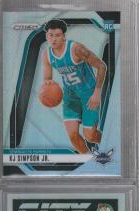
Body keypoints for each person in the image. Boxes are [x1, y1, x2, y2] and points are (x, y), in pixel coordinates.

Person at [42, 18, 107, 153]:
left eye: (57, 35)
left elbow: (101, 66)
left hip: (88, 93)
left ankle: (112, 144)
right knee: (73, 136)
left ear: (64, 36)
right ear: (47, 36)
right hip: (70, 95)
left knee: (90, 136)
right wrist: (47, 86)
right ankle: (90, 160)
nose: (54, 39)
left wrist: (97, 93)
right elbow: (47, 78)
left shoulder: (77, 49)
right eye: (51, 35)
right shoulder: (47, 55)